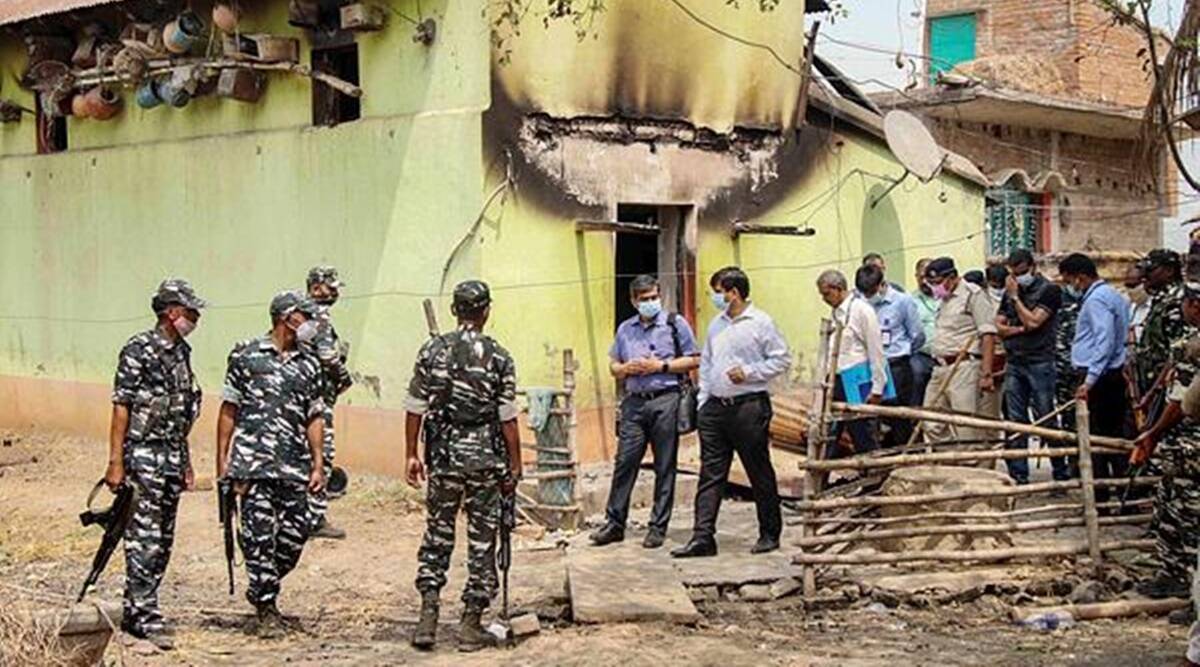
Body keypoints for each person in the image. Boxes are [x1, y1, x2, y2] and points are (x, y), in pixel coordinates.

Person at [404, 280, 521, 652]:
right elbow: (507, 419)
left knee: (437, 535)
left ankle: (428, 618)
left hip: (443, 459)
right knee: (482, 540)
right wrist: (514, 465)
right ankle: (471, 623)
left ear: (455, 311)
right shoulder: (500, 357)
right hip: (486, 461)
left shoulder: (432, 351)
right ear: (486, 310)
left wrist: (411, 453)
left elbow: (414, 406)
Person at [216, 291, 327, 639]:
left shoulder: (309, 364)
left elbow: (315, 416)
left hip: (293, 464)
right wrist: (223, 461)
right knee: (259, 537)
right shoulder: (246, 356)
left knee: (295, 535)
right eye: (304, 317)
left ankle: (263, 587)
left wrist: (319, 464)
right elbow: (229, 410)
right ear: (286, 318)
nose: (310, 324)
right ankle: (266, 608)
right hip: (253, 466)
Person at [106, 279, 205, 650]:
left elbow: (182, 412)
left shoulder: (183, 352)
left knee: (163, 538)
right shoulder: (138, 349)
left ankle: (139, 607)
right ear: (171, 312)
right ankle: (143, 613)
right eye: (191, 311)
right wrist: (116, 461)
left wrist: (186, 462)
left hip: (171, 455)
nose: (195, 317)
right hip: (143, 455)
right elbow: (122, 406)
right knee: (143, 537)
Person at [672, 267, 791, 558]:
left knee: (758, 470)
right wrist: (703, 403)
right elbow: (708, 364)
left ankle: (769, 533)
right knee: (711, 474)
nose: (715, 297)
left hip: (748, 406)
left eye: (718, 291)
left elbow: (782, 359)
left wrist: (750, 372)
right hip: (715, 409)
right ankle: (703, 537)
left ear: (733, 292)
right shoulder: (716, 325)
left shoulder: (761, 323)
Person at [591, 274, 700, 549]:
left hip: (666, 399)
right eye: (644, 299)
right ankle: (614, 523)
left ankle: (657, 527)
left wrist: (660, 367)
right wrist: (624, 369)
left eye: (653, 298)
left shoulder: (675, 324)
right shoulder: (625, 329)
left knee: (665, 464)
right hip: (634, 402)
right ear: (633, 301)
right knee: (625, 462)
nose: (650, 303)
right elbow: (613, 364)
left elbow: (695, 359)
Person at [1130, 280, 1200, 608]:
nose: (1181, 309)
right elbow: (1170, 380)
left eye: (1184, 303)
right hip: (1179, 440)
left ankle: (1192, 593)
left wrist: (1153, 432)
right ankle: (1173, 575)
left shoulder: (1196, 347)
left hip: (1190, 441)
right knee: (1168, 506)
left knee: (1190, 515)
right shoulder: (1189, 341)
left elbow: (1182, 402)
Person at [1059, 254, 1130, 507]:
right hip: (1108, 373)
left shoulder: (1097, 300)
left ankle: (1100, 499)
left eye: (1070, 280)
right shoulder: (1113, 296)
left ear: (1081, 276)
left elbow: (1105, 341)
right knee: (1113, 436)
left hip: (1100, 376)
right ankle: (1123, 495)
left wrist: (1089, 380)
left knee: (1098, 438)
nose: (1071, 286)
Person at [997, 249, 1067, 485]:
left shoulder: (1049, 291)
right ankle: (1019, 475)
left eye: (1022, 272)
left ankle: (1060, 470)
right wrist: (1019, 329)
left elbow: (1035, 322)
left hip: (1040, 360)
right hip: (1015, 360)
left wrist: (1016, 299)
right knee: (1015, 420)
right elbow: (1000, 326)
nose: (1018, 277)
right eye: (1014, 273)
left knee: (1045, 416)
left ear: (1032, 267)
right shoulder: (1009, 293)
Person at [921, 258, 998, 443]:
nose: (935, 287)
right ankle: (952, 461)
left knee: (965, 425)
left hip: (963, 366)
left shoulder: (973, 295)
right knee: (931, 422)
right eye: (931, 283)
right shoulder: (941, 299)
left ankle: (970, 465)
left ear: (952, 277)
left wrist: (986, 374)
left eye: (938, 282)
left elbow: (988, 335)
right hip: (939, 366)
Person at [305, 266, 354, 541]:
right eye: (329, 286)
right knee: (321, 455)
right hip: (318, 399)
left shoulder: (300, 314)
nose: (334, 292)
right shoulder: (318, 315)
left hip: (304, 397)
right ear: (315, 288)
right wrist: (344, 378)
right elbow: (327, 356)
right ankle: (314, 517)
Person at [816, 267, 886, 455]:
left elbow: (876, 350)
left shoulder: (862, 310)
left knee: (862, 433)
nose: (824, 299)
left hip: (856, 378)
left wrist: (878, 387)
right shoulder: (835, 313)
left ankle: (873, 478)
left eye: (827, 294)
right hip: (836, 380)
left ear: (838, 288)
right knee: (829, 435)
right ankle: (822, 480)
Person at [855, 264, 923, 447]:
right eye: (864, 293)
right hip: (866, 367)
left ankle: (903, 457)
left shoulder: (903, 302)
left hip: (895, 366)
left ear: (882, 284)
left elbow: (917, 335)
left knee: (897, 417)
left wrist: (901, 353)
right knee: (867, 415)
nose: (868, 297)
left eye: (871, 292)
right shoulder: (859, 304)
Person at [1136, 249, 1190, 396]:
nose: (1144, 275)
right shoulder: (1161, 299)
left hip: (1167, 390)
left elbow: (1177, 353)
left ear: (1169, 271)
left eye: (1151, 270)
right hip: (1150, 384)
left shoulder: (1177, 301)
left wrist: (1154, 390)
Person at [912, 258, 940, 407]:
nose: (924, 281)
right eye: (920, 277)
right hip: (922, 354)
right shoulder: (911, 301)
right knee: (917, 374)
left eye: (927, 276)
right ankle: (914, 418)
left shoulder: (945, 297)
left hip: (946, 354)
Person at [1126, 263, 1151, 343]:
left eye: (1134, 286)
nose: (1131, 290)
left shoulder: (1153, 307)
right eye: (1128, 286)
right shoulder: (1132, 306)